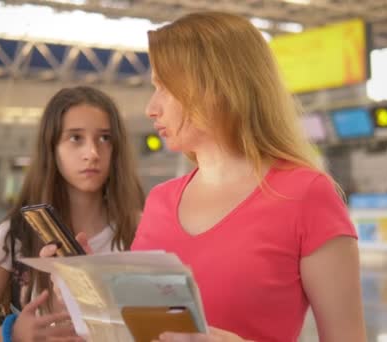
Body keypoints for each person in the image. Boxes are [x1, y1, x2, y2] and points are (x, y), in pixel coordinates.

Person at [130, 11, 366, 342]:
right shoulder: (160, 200)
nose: (151, 108)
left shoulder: (305, 194)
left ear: (217, 87)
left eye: (165, 87)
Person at [0, 86, 144, 341]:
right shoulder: (15, 235)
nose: (92, 153)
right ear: (51, 147)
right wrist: (15, 333)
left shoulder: (140, 230)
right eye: (75, 138)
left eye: (104, 138)